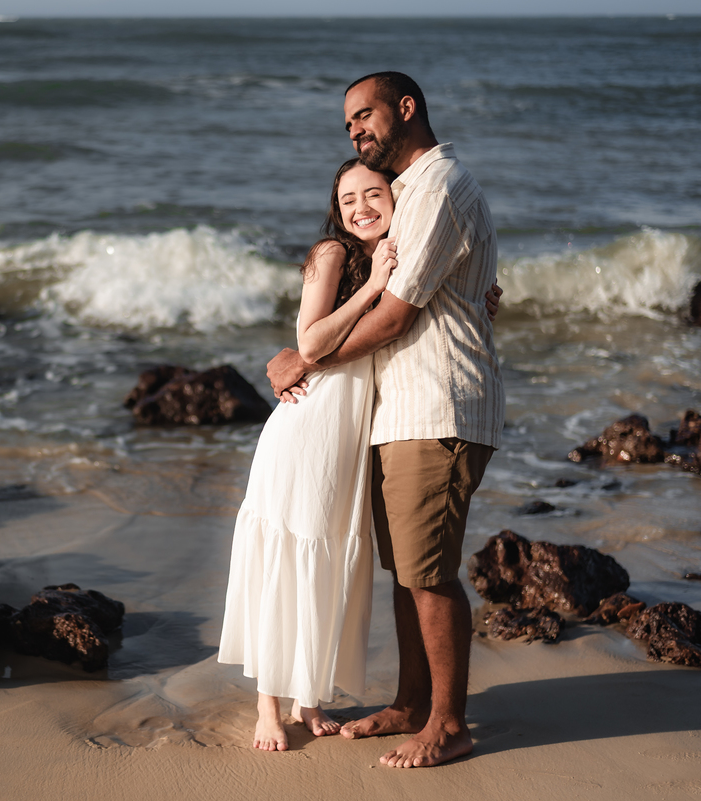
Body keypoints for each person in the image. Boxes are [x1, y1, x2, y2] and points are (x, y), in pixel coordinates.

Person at [218, 156, 500, 753]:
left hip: (355, 434)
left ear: (397, 199)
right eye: (348, 200)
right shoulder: (334, 254)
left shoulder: (407, 256)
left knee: (326, 564)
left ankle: (308, 697)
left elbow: (429, 310)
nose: (361, 208)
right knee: (287, 555)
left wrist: (475, 299)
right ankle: (268, 705)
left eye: (373, 194)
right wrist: (372, 285)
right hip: (308, 426)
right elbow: (310, 342)